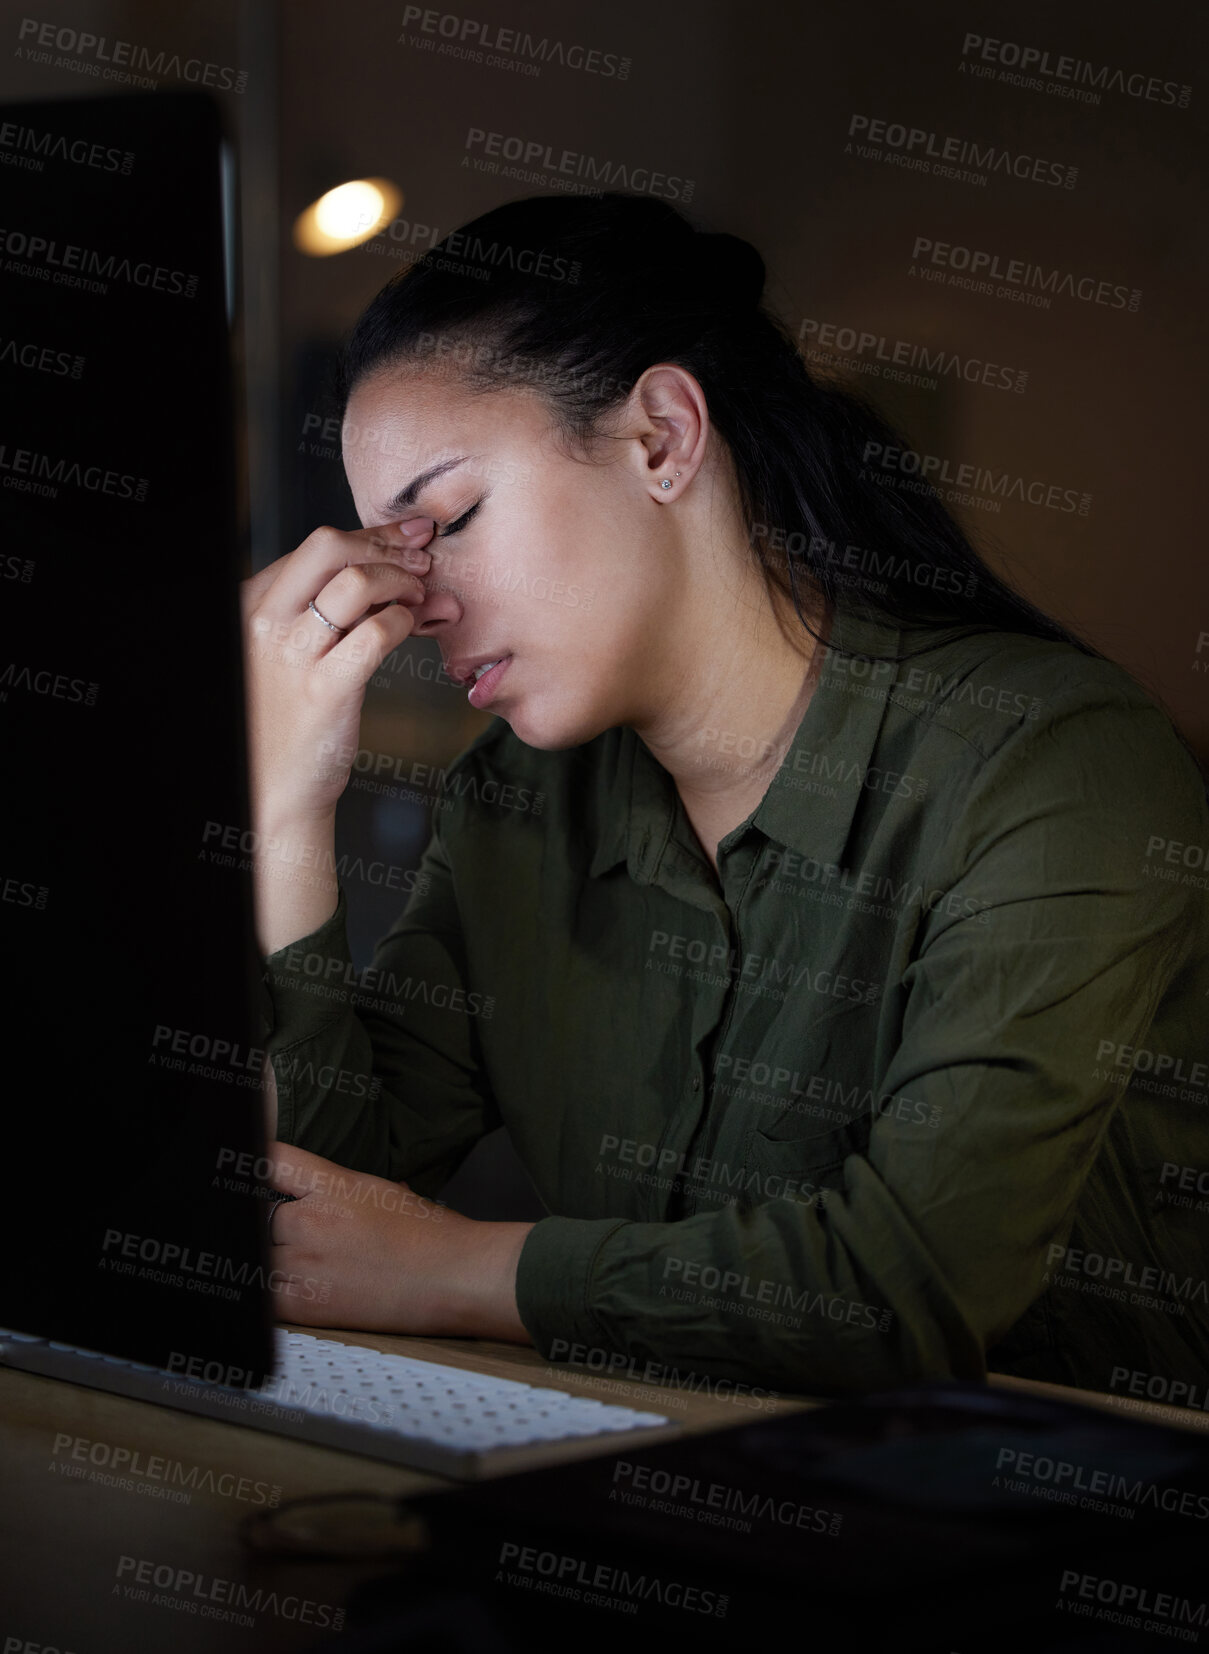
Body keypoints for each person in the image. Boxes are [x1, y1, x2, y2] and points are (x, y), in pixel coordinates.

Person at [242, 190, 1209, 1401]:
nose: (420, 600)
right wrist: (282, 809)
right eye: (393, 550)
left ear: (662, 435)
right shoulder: (517, 804)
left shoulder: (1055, 764)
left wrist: (455, 1269)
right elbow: (327, 1214)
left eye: (450, 518)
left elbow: (907, 1285)